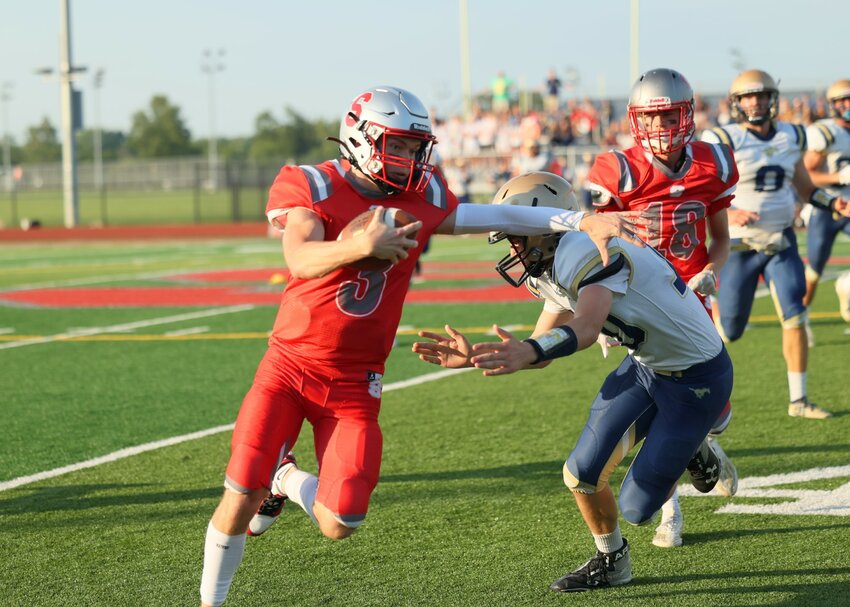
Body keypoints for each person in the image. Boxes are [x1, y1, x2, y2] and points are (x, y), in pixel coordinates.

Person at [198, 85, 641, 607]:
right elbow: (297, 257)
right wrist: (356, 246)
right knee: (241, 493)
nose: (409, 159)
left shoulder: (423, 197)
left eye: (415, 148)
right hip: (290, 365)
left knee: (341, 521)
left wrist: (577, 219)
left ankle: (288, 478)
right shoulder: (314, 183)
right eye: (399, 146)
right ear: (361, 138)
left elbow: (494, 217)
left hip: (356, 379)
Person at [412, 172, 735, 592]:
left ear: (544, 229)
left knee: (638, 507)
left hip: (698, 377)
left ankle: (698, 447)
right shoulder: (549, 263)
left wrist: (530, 351)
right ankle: (612, 561)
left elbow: (584, 329)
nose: (513, 247)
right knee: (580, 473)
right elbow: (538, 346)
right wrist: (475, 357)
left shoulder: (584, 247)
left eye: (516, 236)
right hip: (646, 366)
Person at [588, 67, 739, 549]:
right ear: (635, 120)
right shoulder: (619, 170)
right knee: (655, 411)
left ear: (687, 113)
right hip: (639, 304)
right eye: (650, 118)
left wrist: (712, 270)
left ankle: (703, 448)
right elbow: (599, 244)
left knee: (714, 416)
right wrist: (604, 312)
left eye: (669, 114)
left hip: (692, 302)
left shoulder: (713, 162)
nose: (660, 127)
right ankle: (668, 512)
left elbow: (720, 239)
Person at [701, 69, 850, 420]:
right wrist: (730, 210)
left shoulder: (792, 135)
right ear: (737, 103)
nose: (756, 102)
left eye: (762, 95)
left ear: (773, 99)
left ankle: (799, 400)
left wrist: (833, 202)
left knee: (795, 315)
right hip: (741, 246)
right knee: (733, 330)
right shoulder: (723, 138)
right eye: (749, 96)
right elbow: (704, 189)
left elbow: (805, 187)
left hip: (781, 241)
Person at [801, 79, 850, 318]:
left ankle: (847, 284)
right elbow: (807, 176)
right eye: (843, 100)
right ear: (833, 105)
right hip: (827, 206)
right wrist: (838, 176)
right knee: (815, 271)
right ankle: (802, 315)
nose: (848, 104)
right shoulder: (826, 132)